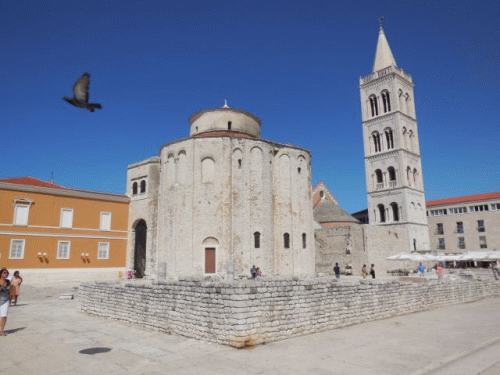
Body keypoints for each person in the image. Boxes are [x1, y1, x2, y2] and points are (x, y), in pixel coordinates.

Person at [0, 268, 11, 336]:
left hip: (5, 300)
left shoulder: (8, 281)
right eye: (4, 272)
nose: (6, 274)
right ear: (1, 274)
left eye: (7, 273)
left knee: (4, 315)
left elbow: (10, 290)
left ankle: (2, 331)